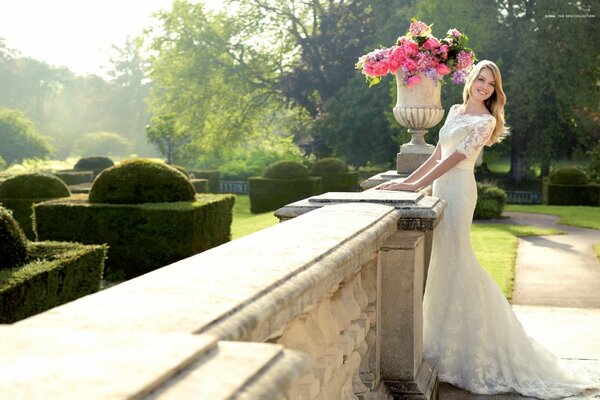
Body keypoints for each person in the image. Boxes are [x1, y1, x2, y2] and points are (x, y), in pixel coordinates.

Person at [376, 60, 599, 398]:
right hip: (440, 187)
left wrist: (412, 187)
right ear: (471, 80)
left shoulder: (486, 120)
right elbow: (438, 153)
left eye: (491, 83)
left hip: (459, 189)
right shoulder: (453, 109)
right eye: (480, 79)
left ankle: (477, 346)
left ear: (496, 91)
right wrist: (406, 182)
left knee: (458, 261)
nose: (484, 86)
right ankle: (442, 345)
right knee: (443, 264)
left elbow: (454, 160)